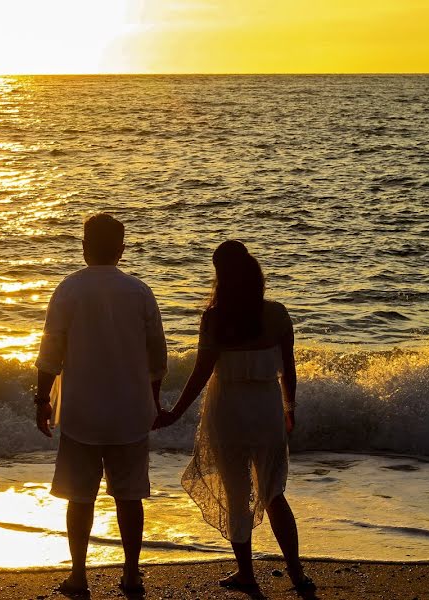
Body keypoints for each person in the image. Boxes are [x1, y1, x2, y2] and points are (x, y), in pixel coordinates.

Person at [154, 240, 314, 592]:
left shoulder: (215, 317)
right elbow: (289, 367)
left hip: (228, 409)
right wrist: (290, 407)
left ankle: (247, 575)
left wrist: (174, 413)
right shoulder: (277, 313)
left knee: (236, 493)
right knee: (274, 493)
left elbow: (200, 373)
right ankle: (297, 573)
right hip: (267, 409)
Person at [34, 213, 167, 596]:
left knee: (80, 498)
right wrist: (153, 400)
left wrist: (43, 399)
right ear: (121, 250)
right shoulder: (140, 291)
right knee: (129, 496)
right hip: (130, 410)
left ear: (84, 247)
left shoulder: (69, 289)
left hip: (80, 411)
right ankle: (130, 572)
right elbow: (158, 356)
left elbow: (50, 352)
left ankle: (79, 574)